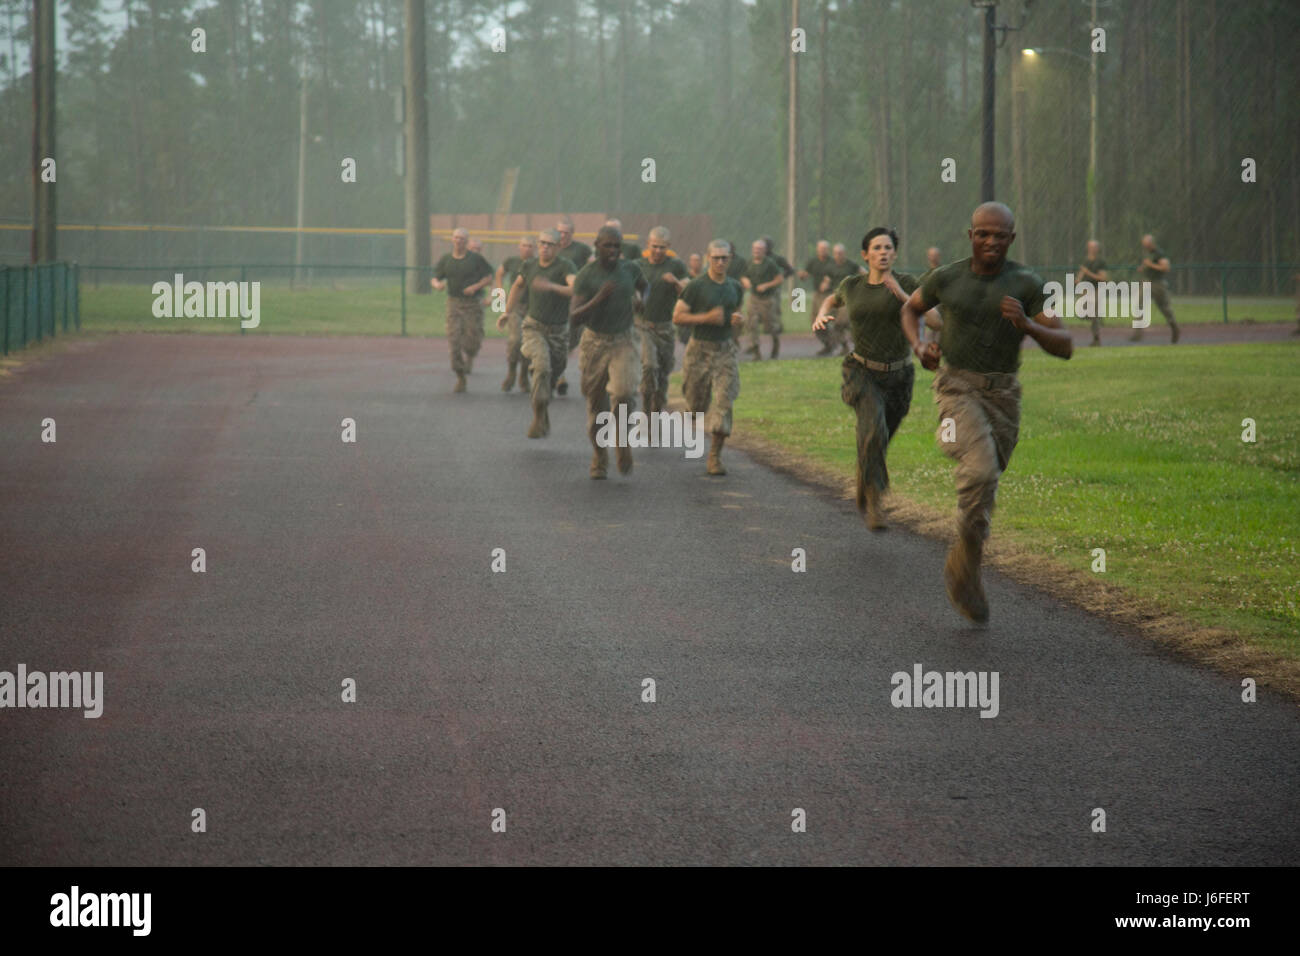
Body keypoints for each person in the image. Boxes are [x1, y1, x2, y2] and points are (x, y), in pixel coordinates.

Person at [900, 202, 1073, 624]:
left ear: (1012, 239)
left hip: (1004, 397)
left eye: (1000, 235)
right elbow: (910, 309)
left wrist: (1028, 326)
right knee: (980, 473)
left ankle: (967, 562)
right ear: (971, 235)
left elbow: (1065, 344)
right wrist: (919, 347)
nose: (991, 242)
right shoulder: (948, 277)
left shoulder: (1026, 283)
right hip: (956, 387)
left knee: (989, 480)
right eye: (983, 234)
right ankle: (966, 568)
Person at [814, 227, 934, 530]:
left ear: (895, 253)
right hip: (862, 371)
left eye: (888, 248)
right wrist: (821, 313)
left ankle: (864, 479)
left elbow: (936, 320)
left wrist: (904, 297)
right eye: (877, 248)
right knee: (874, 431)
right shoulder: (852, 285)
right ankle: (875, 502)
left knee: (878, 441)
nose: (883, 252)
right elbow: (832, 299)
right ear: (865, 254)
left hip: (899, 376)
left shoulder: (908, 283)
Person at [569, 225, 649, 479]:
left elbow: (645, 286)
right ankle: (600, 456)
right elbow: (573, 317)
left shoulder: (630, 269)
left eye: (617, 246)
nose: (613, 250)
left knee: (625, 393)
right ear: (597, 245)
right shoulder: (586, 276)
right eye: (608, 245)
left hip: (624, 340)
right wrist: (598, 299)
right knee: (597, 406)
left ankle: (622, 438)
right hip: (595, 343)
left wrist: (642, 300)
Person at [674, 240, 746, 476]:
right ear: (708, 258)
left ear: (730, 259)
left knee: (725, 402)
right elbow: (678, 316)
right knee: (696, 405)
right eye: (716, 258)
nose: (720, 262)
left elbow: (735, 319)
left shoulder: (735, 287)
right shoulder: (696, 286)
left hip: (725, 351)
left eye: (724, 258)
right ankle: (693, 411)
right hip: (699, 350)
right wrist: (706, 318)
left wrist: (738, 323)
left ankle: (715, 456)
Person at [502, 230, 576, 438]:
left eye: (550, 244)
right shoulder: (527, 265)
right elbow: (516, 286)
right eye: (542, 243)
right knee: (542, 366)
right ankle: (538, 415)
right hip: (534, 327)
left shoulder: (565, 266)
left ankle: (542, 408)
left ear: (558, 247)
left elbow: (575, 289)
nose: (545, 247)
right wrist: (505, 312)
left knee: (552, 375)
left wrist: (552, 286)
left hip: (559, 331)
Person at [431, 227, 494, 393]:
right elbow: (436, 277)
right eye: (456, 238)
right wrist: (437, 285)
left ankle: (471, 355)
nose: (459, 241)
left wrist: (495, 302)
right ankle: (460, 375)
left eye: (462, 239)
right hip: (454, 303)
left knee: (472, 340)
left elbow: (495, 280)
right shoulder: (447, 260)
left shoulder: (477, 261)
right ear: (452, 240)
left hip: (475, 303)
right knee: (454, 340)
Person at [636, 226, 689, 415]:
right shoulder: (638, 266)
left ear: (669, 247)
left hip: (665, 328)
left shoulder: (675, 266)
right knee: (649, 366)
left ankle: (656, 409)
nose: (658, 251)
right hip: (643, 326)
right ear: (648, 244)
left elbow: (688, 291)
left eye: (662, 247)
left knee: (663, 373)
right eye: (655, 246)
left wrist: (675, 282)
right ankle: (646, 407)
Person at [496, 235, 536, 391]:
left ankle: (524, 375)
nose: (527, 249)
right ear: (519, 247)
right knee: (515, 340)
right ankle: (511, 371)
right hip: (515, 307)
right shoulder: (511, 262)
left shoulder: (537, 264)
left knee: (528, 342)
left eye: (530, 246)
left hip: (533, 308)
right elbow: (499, 274)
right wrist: (499, 300)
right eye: (524, 245)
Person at [741, 239, 785, 359]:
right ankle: (756, 351)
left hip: (767, 299)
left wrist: (766, 285)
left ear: (764, 251)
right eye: (755, 249)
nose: (756, 251)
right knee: (751, 323)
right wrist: (746, 281)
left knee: (770, 327)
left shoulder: (769, 263)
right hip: (754, 298)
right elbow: (743, 276)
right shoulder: (749, 262)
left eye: (759, 249)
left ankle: (775, 343)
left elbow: (780, 279)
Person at [1134, 234, 1180, 343]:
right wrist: (1142, 268)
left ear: (1151, 243)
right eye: (1144, 245)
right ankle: (1138, 332)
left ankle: (1174, 328)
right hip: (1147, 282)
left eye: (1146, 244)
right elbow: (1147, 265)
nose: (1145, 246)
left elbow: (1165, 268)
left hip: (1157, 284)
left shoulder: (1159, 253)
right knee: (1138, 304)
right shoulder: (1148, 254)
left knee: (1164, 308)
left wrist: (1150, 265)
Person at [824, 243, 864, 355]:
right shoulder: (831, 266)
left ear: (844, 254)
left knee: (841, 322)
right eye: (836, 253)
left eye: (840, 253)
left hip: (848, 298)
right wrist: (825, 284)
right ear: (833, 254)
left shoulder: (850, 265)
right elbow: (827, 278)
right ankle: (845, 345)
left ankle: (857, 344)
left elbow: (863, 273)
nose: (838, 256)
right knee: (831, 323)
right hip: (835, 298)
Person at [799, 240, 836, 355]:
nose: (822, 251)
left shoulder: (833, 262)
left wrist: (828, 281)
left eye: (824, 249)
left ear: (828, 250)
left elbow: (836, 275)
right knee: (815, 322)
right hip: (817, 294)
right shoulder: (813, 262)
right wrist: (802, 275)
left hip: (830, 294)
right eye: (820, 249)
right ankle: (828, 344)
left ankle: (838, 343)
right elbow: (805, 275)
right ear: (817, 250)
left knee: (828, 320)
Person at [1074, 240, 1109, 347]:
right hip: (1087, 291)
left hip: (1097, 290)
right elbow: (1081, 273)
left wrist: (1088, 273)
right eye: (1089, 247)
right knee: (1080, 313)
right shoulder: (1086, 261)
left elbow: (1103, 278)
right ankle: (1098, 318)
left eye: (1093, 247)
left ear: (1097, 249)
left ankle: (1096, 339)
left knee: (1093, 314)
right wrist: (1078, 280)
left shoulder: (1100, 262)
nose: (1091, 249)